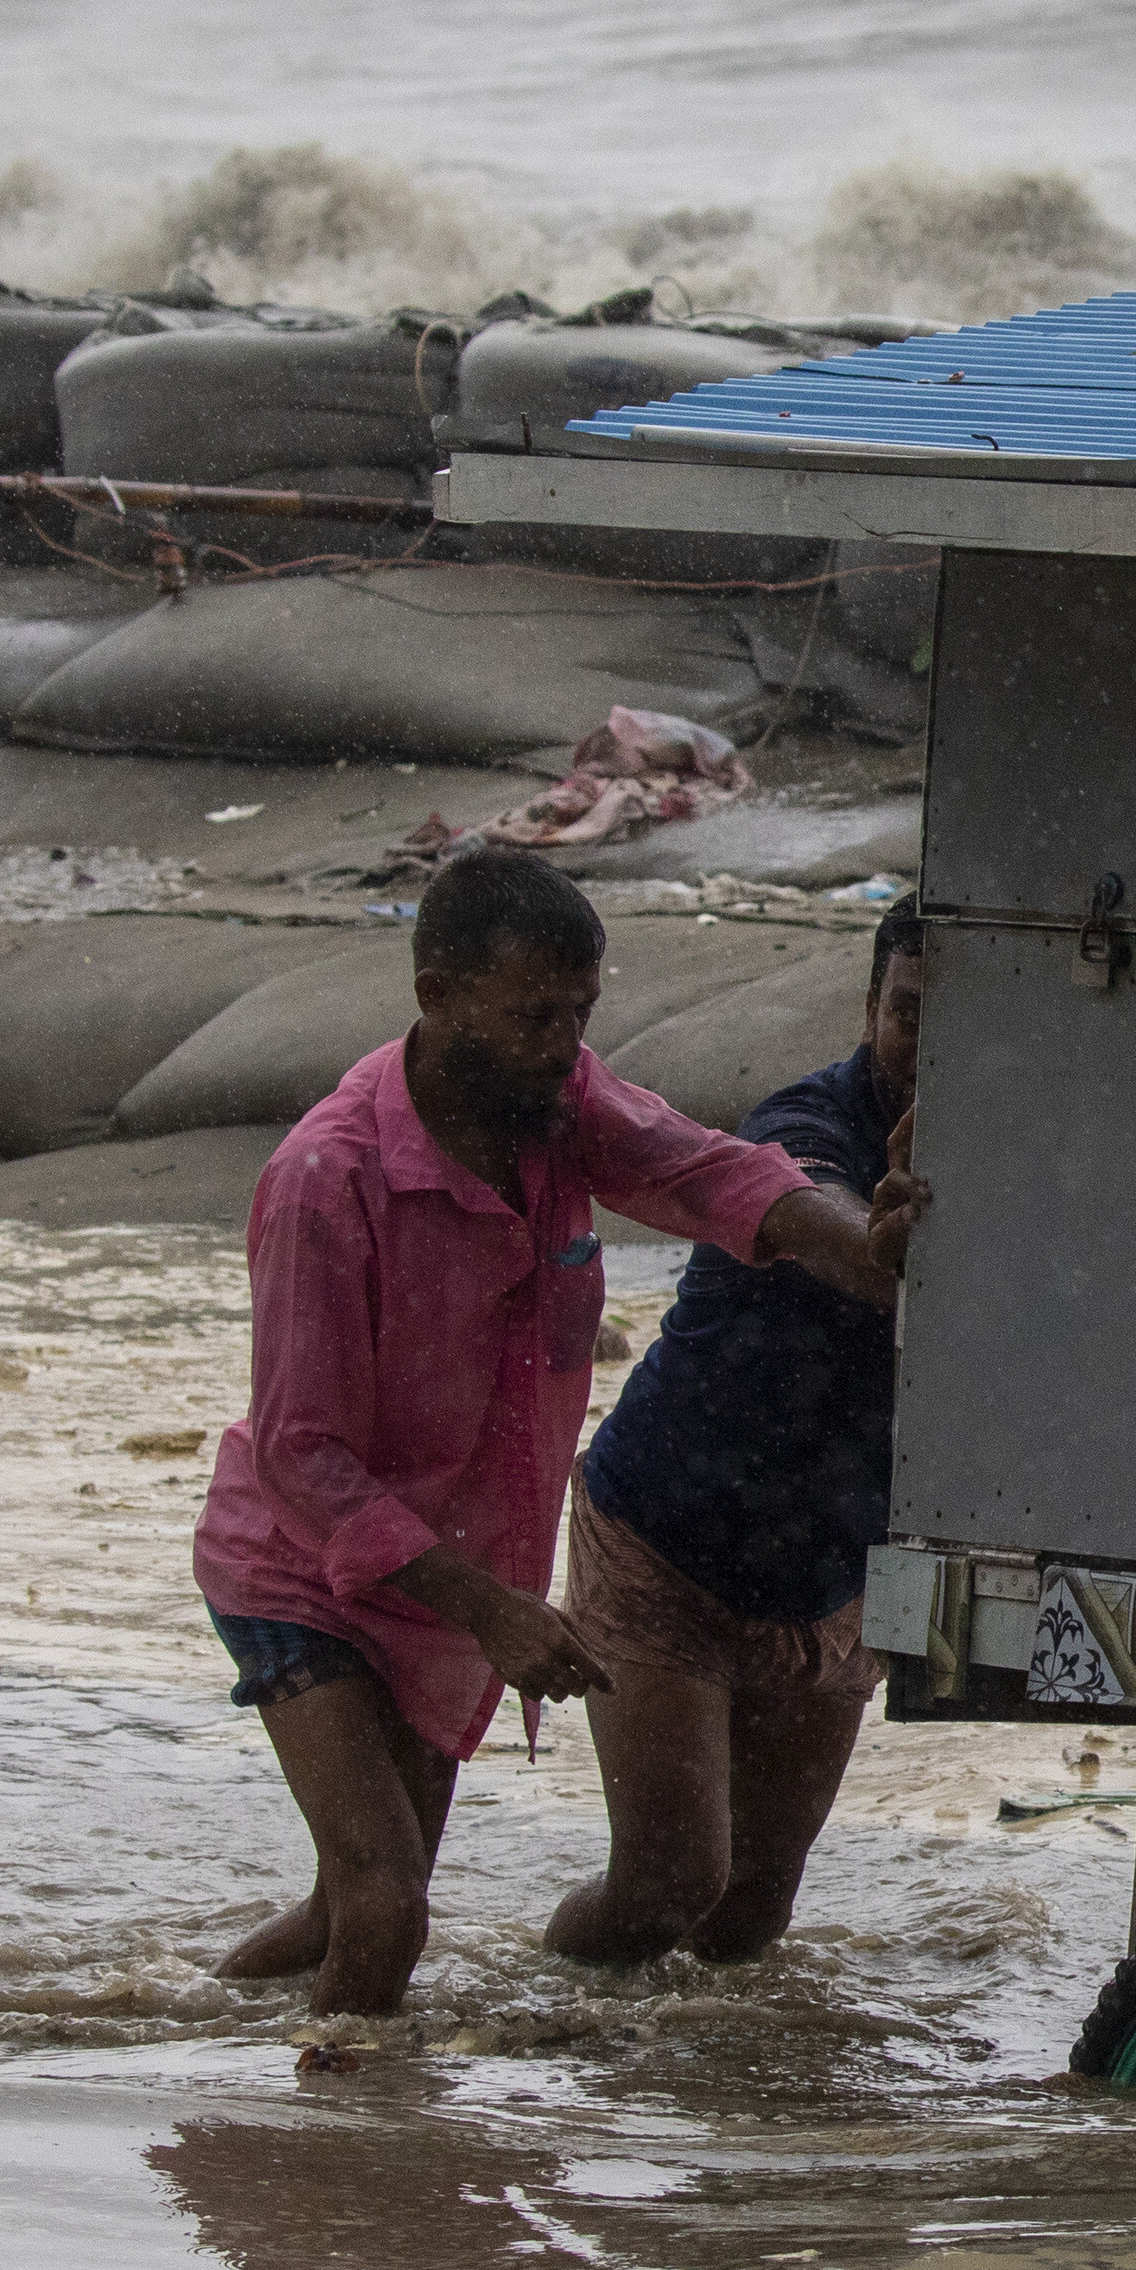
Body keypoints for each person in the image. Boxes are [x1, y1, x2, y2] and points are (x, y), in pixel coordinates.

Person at [190, 849, 923, 2016]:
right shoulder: (324, 1179)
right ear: (438, 996)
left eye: (579, 1015)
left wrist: (873, 1255)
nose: (562, 1046)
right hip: (302, 1573)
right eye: (534, 1016)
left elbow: (718, 1177)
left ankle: (179, 2030)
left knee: (352, 1907)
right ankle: (337, 2174)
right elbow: (298, 1458)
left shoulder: (558, 1110)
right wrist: (492, 1612)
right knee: (387, 1913)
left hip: (449, 1582)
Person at [546, 901, 928, 1965]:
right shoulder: (798, 1128)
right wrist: (894, 1242)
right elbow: (843, 1241)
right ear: (866, 1012)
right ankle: (540, 2028)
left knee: (750, 1915)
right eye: (908, 1016)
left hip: (826, 1577)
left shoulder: (1042, 1174)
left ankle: (711, 2121)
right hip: (667, 1546)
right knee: (665, 1888)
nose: (929, 1051)